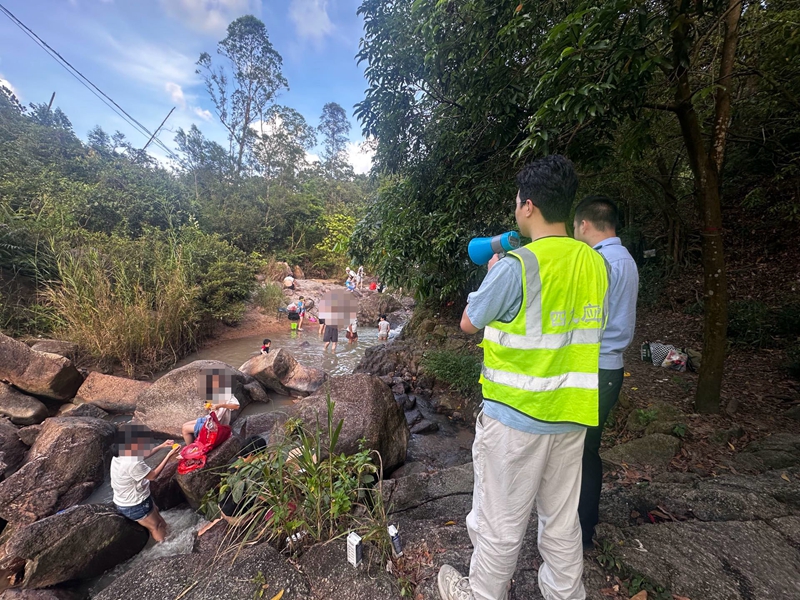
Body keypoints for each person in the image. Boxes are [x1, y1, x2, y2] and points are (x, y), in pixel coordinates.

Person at [437, 155, 609, 600]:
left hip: (515, 418)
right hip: (571, 413)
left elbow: (469, 322)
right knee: (561, 519)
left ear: (528, 206)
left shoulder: (518, 266)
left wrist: (494, 273)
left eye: (517, 201)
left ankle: (481, 594)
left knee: (498, 523)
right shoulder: (595, 265)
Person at [573, 195, 639, 549]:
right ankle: (583, 527)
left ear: (584, 225)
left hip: (593, 369)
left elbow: (582, 318)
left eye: (575, 226)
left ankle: (579, 532)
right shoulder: (625, 258)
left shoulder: (598, 263)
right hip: (612, 368)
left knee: (578, 452)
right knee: (588, 450)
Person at [111, 423, 181, 543]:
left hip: (131, 498)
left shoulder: (122, 451)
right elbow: (153, 476)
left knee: (158, 516)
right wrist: (169, 456)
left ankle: (170, 535)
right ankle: (166, 547)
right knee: (156, 526)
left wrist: (162, 446)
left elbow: (142, 455)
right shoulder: (132, 463)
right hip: (134, 504)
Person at [181, 371, 241, 445]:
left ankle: (190, 447)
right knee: (184, 425)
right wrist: (208, 407)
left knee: (185, 430)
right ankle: (196, 443)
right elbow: (212, 407)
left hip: (216, 425)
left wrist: (220, 405)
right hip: (209, 419)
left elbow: (236, 406)